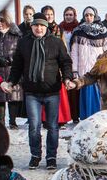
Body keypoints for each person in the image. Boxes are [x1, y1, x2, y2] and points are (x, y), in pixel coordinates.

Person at [9, 14, 73, 169]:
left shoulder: (56, 42)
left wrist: (67, 78)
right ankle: (35, 155)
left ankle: (51, 157)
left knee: (52, 126)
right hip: (32, 92)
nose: (39, 28)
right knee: (34, 126)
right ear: (32, 27)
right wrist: (11, 81)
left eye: (42, 26)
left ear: (46, 27)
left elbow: (65, 62)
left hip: (52, 91)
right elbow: (17, 65)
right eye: (36, 25)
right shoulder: (24, 42)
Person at [69, 7, 107, 121]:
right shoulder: (78, 31)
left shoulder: (102, 32)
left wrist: (105, 67)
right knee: (86, 97)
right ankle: (86, 119)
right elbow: (74, 53)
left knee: (98, 96)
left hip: (97, 70)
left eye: (91, 15)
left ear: (95, 16)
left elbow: (106, 52)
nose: (89, 17)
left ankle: (98, 118)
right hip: (83, 70)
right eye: (86, 15)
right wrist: (74, 70)